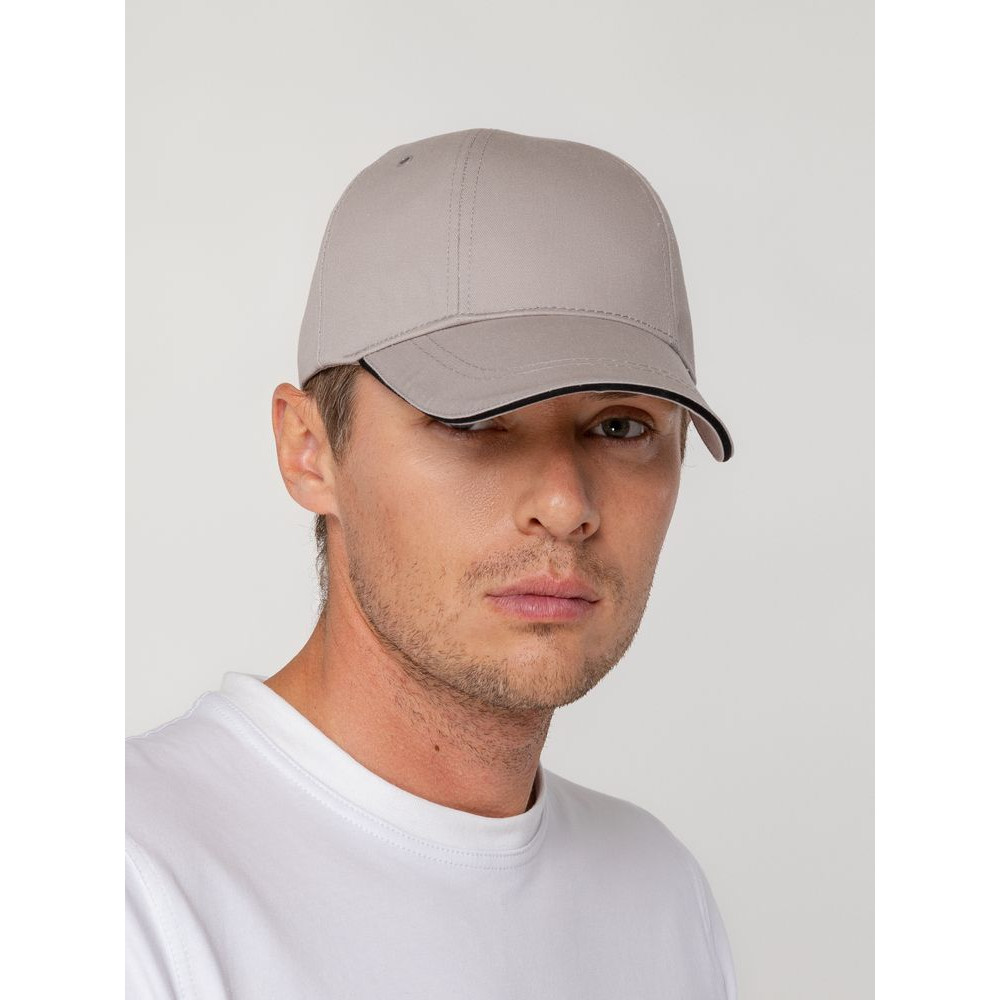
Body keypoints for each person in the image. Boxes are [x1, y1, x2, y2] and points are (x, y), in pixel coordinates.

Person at [126, 127, 738, 999]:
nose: (565, 503)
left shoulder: (659, 894)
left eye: (620, 426)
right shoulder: (132, 885)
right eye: (475, 421)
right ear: (309, 451)